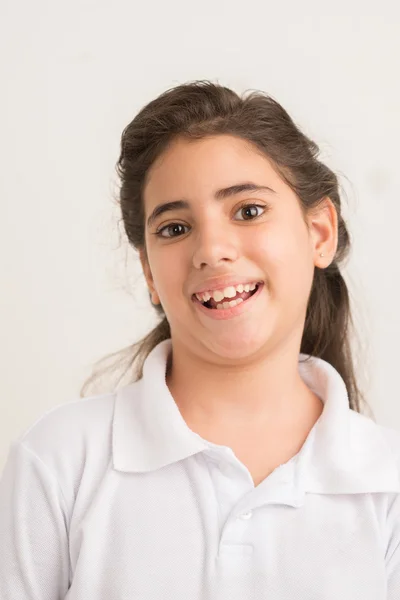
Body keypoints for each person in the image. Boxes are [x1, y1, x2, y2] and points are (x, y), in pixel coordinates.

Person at [1, 80, 400, 600]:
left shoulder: (387, 482)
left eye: (248, 211)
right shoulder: (59, 461)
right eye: (174, 228)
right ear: (148, 271)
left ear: (320, 232)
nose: (211, 250)